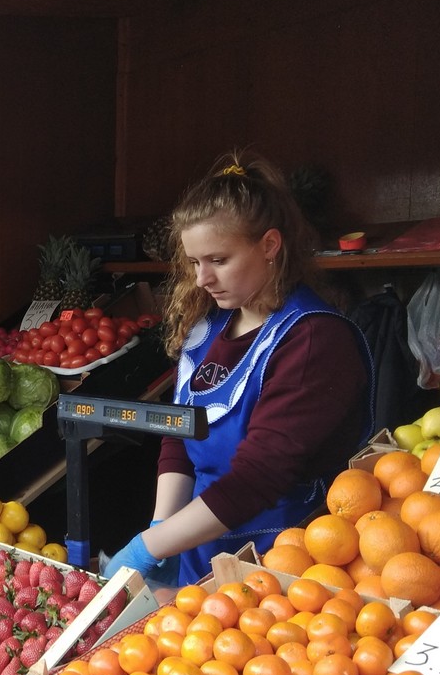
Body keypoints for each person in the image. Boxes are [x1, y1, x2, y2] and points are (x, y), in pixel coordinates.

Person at [104, 151, 373, 586]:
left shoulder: (313, 340)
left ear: (269, 245)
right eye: (193, 263)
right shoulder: (210, 326)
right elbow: (180, 435)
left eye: (218, 260)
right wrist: (161, 530)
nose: (201, 279)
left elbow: (257, 478)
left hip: (280, 567)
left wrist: (146, 548)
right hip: (197, 551)